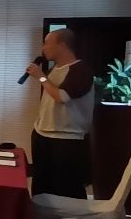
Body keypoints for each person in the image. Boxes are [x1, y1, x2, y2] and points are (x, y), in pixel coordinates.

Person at [26, 28, 95, 197]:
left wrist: (41, 77)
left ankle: (72, 216)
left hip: (67, 140)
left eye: (47, 43)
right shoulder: (54, 69)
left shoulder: (80, 70)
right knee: (41, 188)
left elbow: (62, 97)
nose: (43, 48)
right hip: (42, 134)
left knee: (67, 189)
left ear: (62, 45)